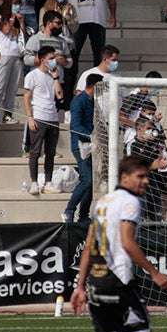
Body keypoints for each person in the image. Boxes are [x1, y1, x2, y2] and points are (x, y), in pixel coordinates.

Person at [71, 154, 167, 332]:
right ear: (125, 177)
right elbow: (128, 243)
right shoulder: (130, 202)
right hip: (118, 281)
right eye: (140, 176)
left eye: (146, 175)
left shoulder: (103, 202)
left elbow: (90, 244)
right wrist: (155, 273)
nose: (146, 180)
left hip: (96, 280)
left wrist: (80, 286)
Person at [23, 46, 64, 195]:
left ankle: (48, 182)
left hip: (53, 117)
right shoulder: (32, 75)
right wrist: (30, 117)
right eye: (51, 58)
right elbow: (26, 96)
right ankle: (34, 182)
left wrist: (55, 77)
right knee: (35, 151)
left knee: (50, 152)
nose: (54, 61)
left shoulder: (53, 76)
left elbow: (59, 95)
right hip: (39, 116)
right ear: (42, 60)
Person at [64, 73, 101, 224]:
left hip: (91, 146)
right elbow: (75, 126)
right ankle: (69, 210)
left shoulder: (94, 103)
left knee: (91, 182)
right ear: (95, 87)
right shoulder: (78, 102)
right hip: (80, 146)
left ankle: (83, 215)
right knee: (86, 179)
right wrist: (92, 136)